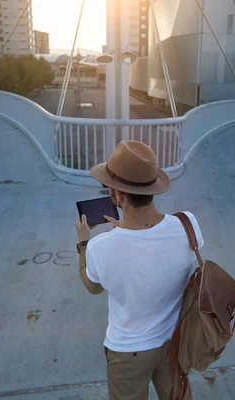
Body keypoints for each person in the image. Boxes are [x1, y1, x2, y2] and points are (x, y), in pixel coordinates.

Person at [75, 140, 203, 400]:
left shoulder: (101, 247)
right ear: (152, 188)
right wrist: (125, 232)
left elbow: (92, 286)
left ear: (117, 195)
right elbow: (153, 246)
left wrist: (84, 243)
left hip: (127, 353)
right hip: (173, 342)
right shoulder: (188, 224)